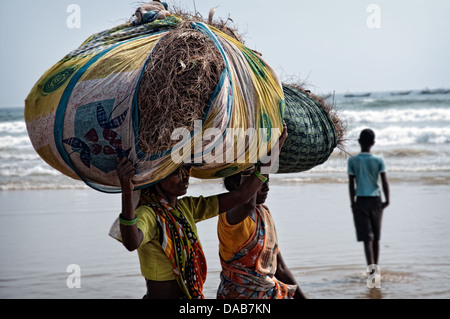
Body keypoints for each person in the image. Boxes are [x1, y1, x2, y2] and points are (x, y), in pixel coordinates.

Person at [113, 124, 288, 299]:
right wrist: (127, 192)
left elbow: (242, 196)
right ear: (159, 176)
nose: (185, 177)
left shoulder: (187, 208)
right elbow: (131, 242)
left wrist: (270, 155)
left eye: (187, 169)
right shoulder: (149, 213)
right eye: (176, 173)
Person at [216, 169, 307, 299]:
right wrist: (251, 165)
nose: (267, 188)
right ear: (239, 184)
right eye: (261, 182)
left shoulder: (264, 214)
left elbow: (280, 267)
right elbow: (247, 205)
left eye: (267, 182)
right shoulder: (229, 214)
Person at [348, 128, 390, 267]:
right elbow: (384, 182)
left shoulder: (353, 160)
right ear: (373, 143)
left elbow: (351, 183)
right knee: (376, 238)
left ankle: (371, 270)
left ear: (359, 142)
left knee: (367, 239)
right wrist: (387, 200)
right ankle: (376, 268)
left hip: (360, 201)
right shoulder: (379, 160)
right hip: (376, 200)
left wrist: (352, 203)